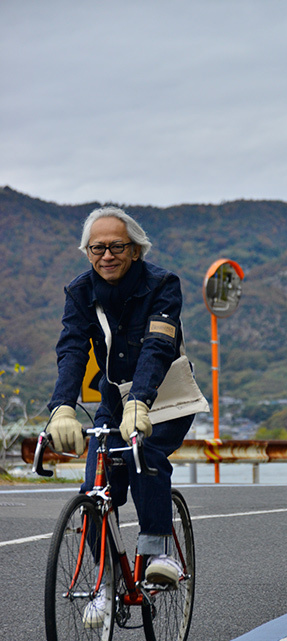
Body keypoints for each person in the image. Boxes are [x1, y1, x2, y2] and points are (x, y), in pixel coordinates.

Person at [47, 206, 195, 611]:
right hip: (113, 398)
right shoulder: (80, 292)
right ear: (87, 251)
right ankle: (109, 580)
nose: (106, 255)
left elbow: (158, 346)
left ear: (135, 250)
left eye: (116, 246)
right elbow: (73, 349)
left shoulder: (163, 284)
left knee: (143, 451)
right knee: (94, 488)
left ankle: (160, 551)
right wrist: (62, 407)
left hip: (164, 395)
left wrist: (140, 401)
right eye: (97, 248)